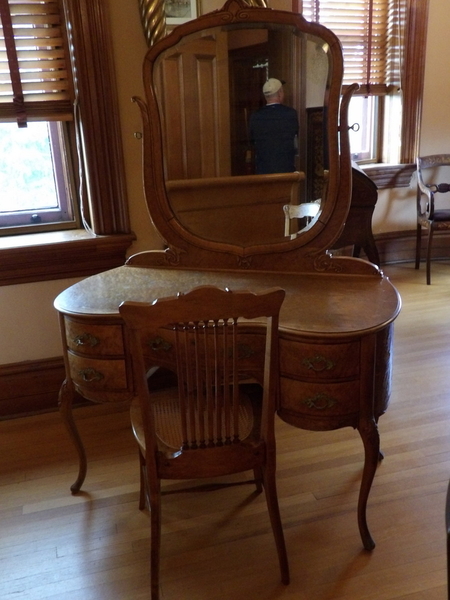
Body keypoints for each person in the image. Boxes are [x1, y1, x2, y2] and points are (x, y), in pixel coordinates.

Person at [249, 78, 299, 175]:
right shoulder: (290, 114)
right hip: (286, 170)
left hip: (263, 171)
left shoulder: (256, 116)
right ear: (280, 93)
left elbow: (252, 140)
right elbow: (295, 136)